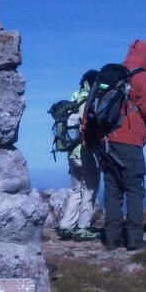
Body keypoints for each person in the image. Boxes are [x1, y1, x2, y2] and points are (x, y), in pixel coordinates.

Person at [101, 39, 146, 251]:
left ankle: (112, 239)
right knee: (134, 189)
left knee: (113, 190)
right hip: (129, 142)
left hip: (107, 141)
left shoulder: (114, 74)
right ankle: (134, 239)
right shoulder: (141, 75)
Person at [57, 70, 102, 241]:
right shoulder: (89, 101)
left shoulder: (74, 98)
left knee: (76, 190)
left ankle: (66, 226)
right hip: (86, 151)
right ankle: (83, 227)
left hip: (71, 152)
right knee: (90, 189)